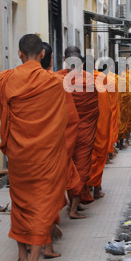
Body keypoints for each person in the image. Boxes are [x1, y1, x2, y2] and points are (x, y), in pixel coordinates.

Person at [0, 34, 68, 261]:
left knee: (20, 203)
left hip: (18, 154)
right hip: (45, 155)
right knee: (41, 205)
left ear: (19, 53)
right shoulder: (55, 83)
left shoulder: (5, 80)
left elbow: (3, 113)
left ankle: (21, 258)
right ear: (42, 55)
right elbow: (62, 122)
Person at [42, 43, 81, 222]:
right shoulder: (60, 82)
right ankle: (68, 211)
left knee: (37, 189)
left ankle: (42, 227)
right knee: (72, 172)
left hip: (29, 146)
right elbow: (72, 119)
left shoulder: (10, 80)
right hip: (61, 141)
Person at [58, 47, 99, 216]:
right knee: (81, 166)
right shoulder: (89, 81)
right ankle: (73, 208)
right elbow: (95, 108)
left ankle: (72, 204)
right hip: (84, 131)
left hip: (64, 132)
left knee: (68, 165)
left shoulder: (58, 78)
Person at [85, 57, 112, 199]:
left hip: (83, 127)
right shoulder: (101, 78)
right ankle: (96, 188)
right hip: (99, 125)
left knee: (84, 157)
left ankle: (85, 188)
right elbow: (106, 105)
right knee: (98, 154)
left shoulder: (76, 80)